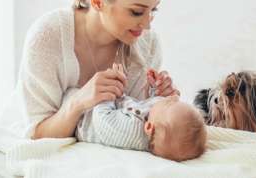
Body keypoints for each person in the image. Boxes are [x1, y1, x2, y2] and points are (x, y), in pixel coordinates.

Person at [0, 0, 179, 139]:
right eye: (136, 12)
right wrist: (78, 102)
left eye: (153, 10)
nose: (147, 25)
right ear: (97, 1)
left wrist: (161, 102)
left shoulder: (148, 45)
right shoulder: (47, 38)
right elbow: (37, 134)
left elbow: (137, 130)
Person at [76, 64, 207, 161]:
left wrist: (110, 91)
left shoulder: (131, 131)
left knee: (70, 95)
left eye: (170, 103)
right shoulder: (155, 118)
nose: (173, 97)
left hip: (83, 116)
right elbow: (144, 105)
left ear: (149, 127)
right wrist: (154, 89)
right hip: (97, 103)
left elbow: (102, 121)